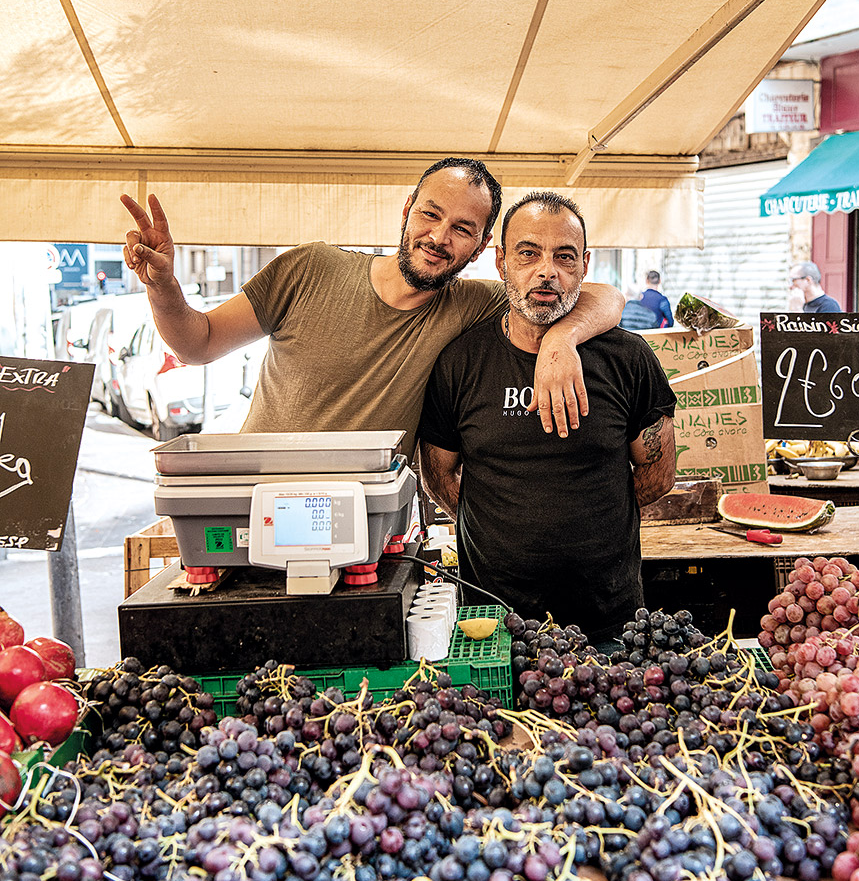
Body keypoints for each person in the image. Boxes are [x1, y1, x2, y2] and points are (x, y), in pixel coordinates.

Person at [120, 159, 626, 462]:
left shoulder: (474, 303)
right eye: (430, 214)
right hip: (260, 507)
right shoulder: (308, 268)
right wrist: (163, 286)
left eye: (463, 229)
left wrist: (561, 339)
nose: (439, 237)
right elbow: (197, 342)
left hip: (371, 531)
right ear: (407, 210)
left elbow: (604, 296)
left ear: (480, 248)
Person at [417, 191, 677, 644]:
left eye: (564, 256)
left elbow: (658, 474)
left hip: (611, 622)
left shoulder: (628, 358)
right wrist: (499, 524)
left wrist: (593, 520)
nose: (547, 271)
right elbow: (437, 475)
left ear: (585, 265)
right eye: (528, 253)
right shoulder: (460, 362)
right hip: (493, 622)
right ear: (501, 263)